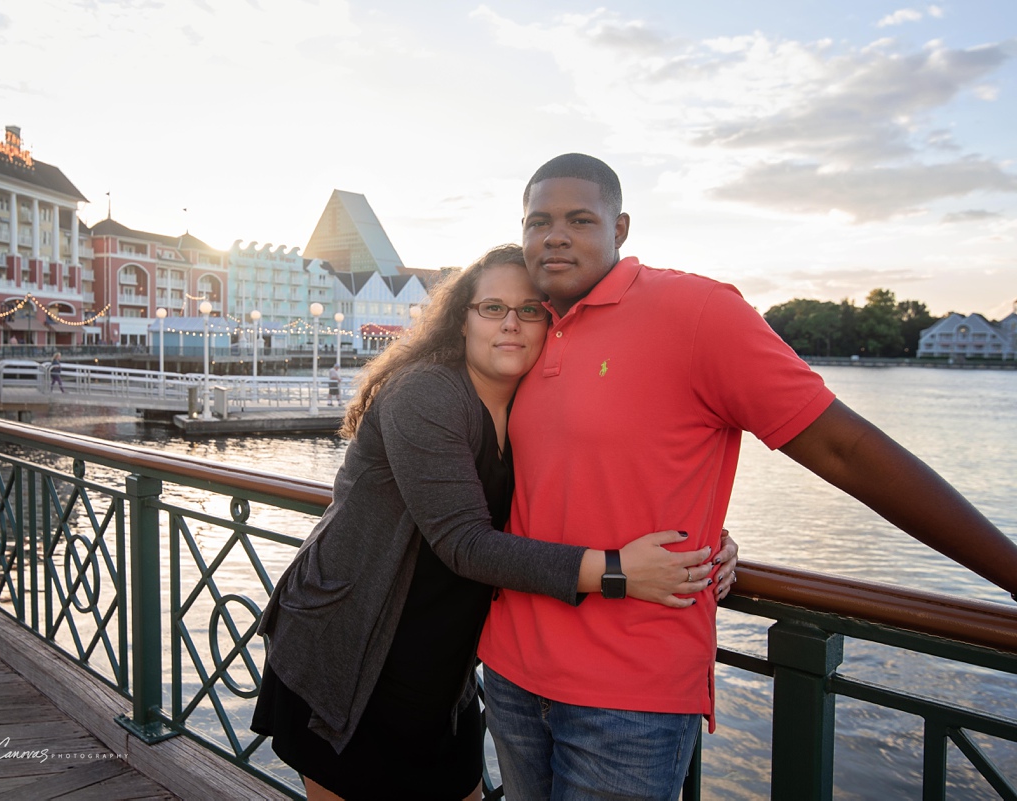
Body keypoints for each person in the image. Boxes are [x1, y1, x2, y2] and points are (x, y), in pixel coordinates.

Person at [476, 153, 1017, 800]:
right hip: (510, 672)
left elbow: (844, 448)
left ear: (621, 229)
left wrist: (1010, 572)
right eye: (539, 221)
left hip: (629, 696)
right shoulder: (521, 331)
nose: (555, 235)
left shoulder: (698, 312)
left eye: (579, 218)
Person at [252, 245, 738, 801]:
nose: (511, 323)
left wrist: (705, 542)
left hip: (442, 664)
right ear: (461, 319)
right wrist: (620, 572)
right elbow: (464, 543)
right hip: (350, 650)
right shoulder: (427, 392)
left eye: (530, 309)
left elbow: (601, 482)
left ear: (550, 324)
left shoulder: (539, 400)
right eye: (491, 308)